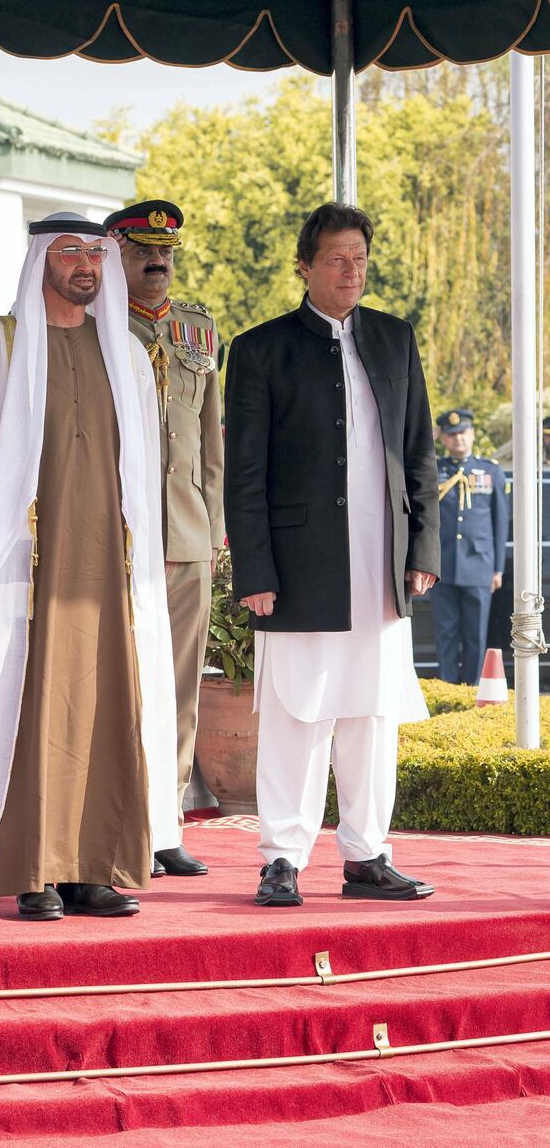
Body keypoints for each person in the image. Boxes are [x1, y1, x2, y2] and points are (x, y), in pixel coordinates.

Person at [0, 212, 178, 921]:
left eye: (95, 254)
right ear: (40, 258)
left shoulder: (126, 352)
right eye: (69, 252)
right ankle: (33, 869)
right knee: (28, 710)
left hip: (107, 569)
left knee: (105, 709)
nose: (85, 267)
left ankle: (94, 867)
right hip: (25, 569)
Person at [224, 201, 440, 908]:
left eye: (361, 260)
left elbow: (419, 455)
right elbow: (245, 472)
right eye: (338, 260)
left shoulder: (394, 338)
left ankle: (368, 854)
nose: (352, 272)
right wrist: (254, 570)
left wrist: (422, 548)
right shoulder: (261, 349)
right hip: (297, 566)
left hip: (381, 564)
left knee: (372, 716)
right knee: (297, 713)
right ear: (305, 266)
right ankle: (282, 856)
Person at [105, 199, 225, 878]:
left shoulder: (197, 331)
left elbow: (210, 442)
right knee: (116, 683)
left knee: (180, 686)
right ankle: (110, 820)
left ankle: (163, 822)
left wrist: (214, 530)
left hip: (184, 536)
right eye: (144, 250)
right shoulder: (91, 330)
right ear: (117, 255)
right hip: (114, 537)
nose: (158, 261)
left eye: (166, 252)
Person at [430, 408, 508, 684]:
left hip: (479, 565)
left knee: (475, 634)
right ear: (444, 439)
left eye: (463, 433)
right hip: (443, 565)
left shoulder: (490, 470)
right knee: (446, 632)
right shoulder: (435, 469)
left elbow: (500, 522)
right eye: (451, 435)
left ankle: (473, 687)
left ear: (472, 434)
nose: (458, 440)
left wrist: (497, 568)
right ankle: (448, 687)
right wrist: (431, 435)